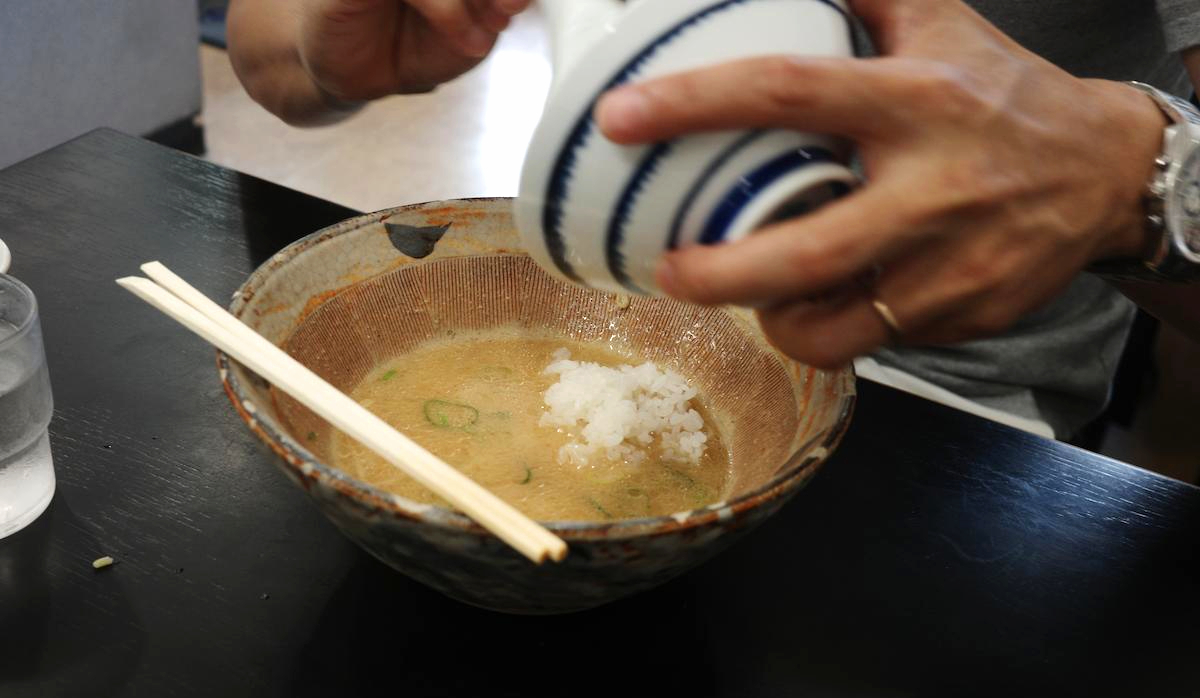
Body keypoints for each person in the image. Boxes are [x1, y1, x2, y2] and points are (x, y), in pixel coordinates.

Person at [227, 0, 1200, 440]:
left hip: (954, 417)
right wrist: (326, 49)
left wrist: (1135, 181)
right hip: (624, 324)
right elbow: (261, 38)